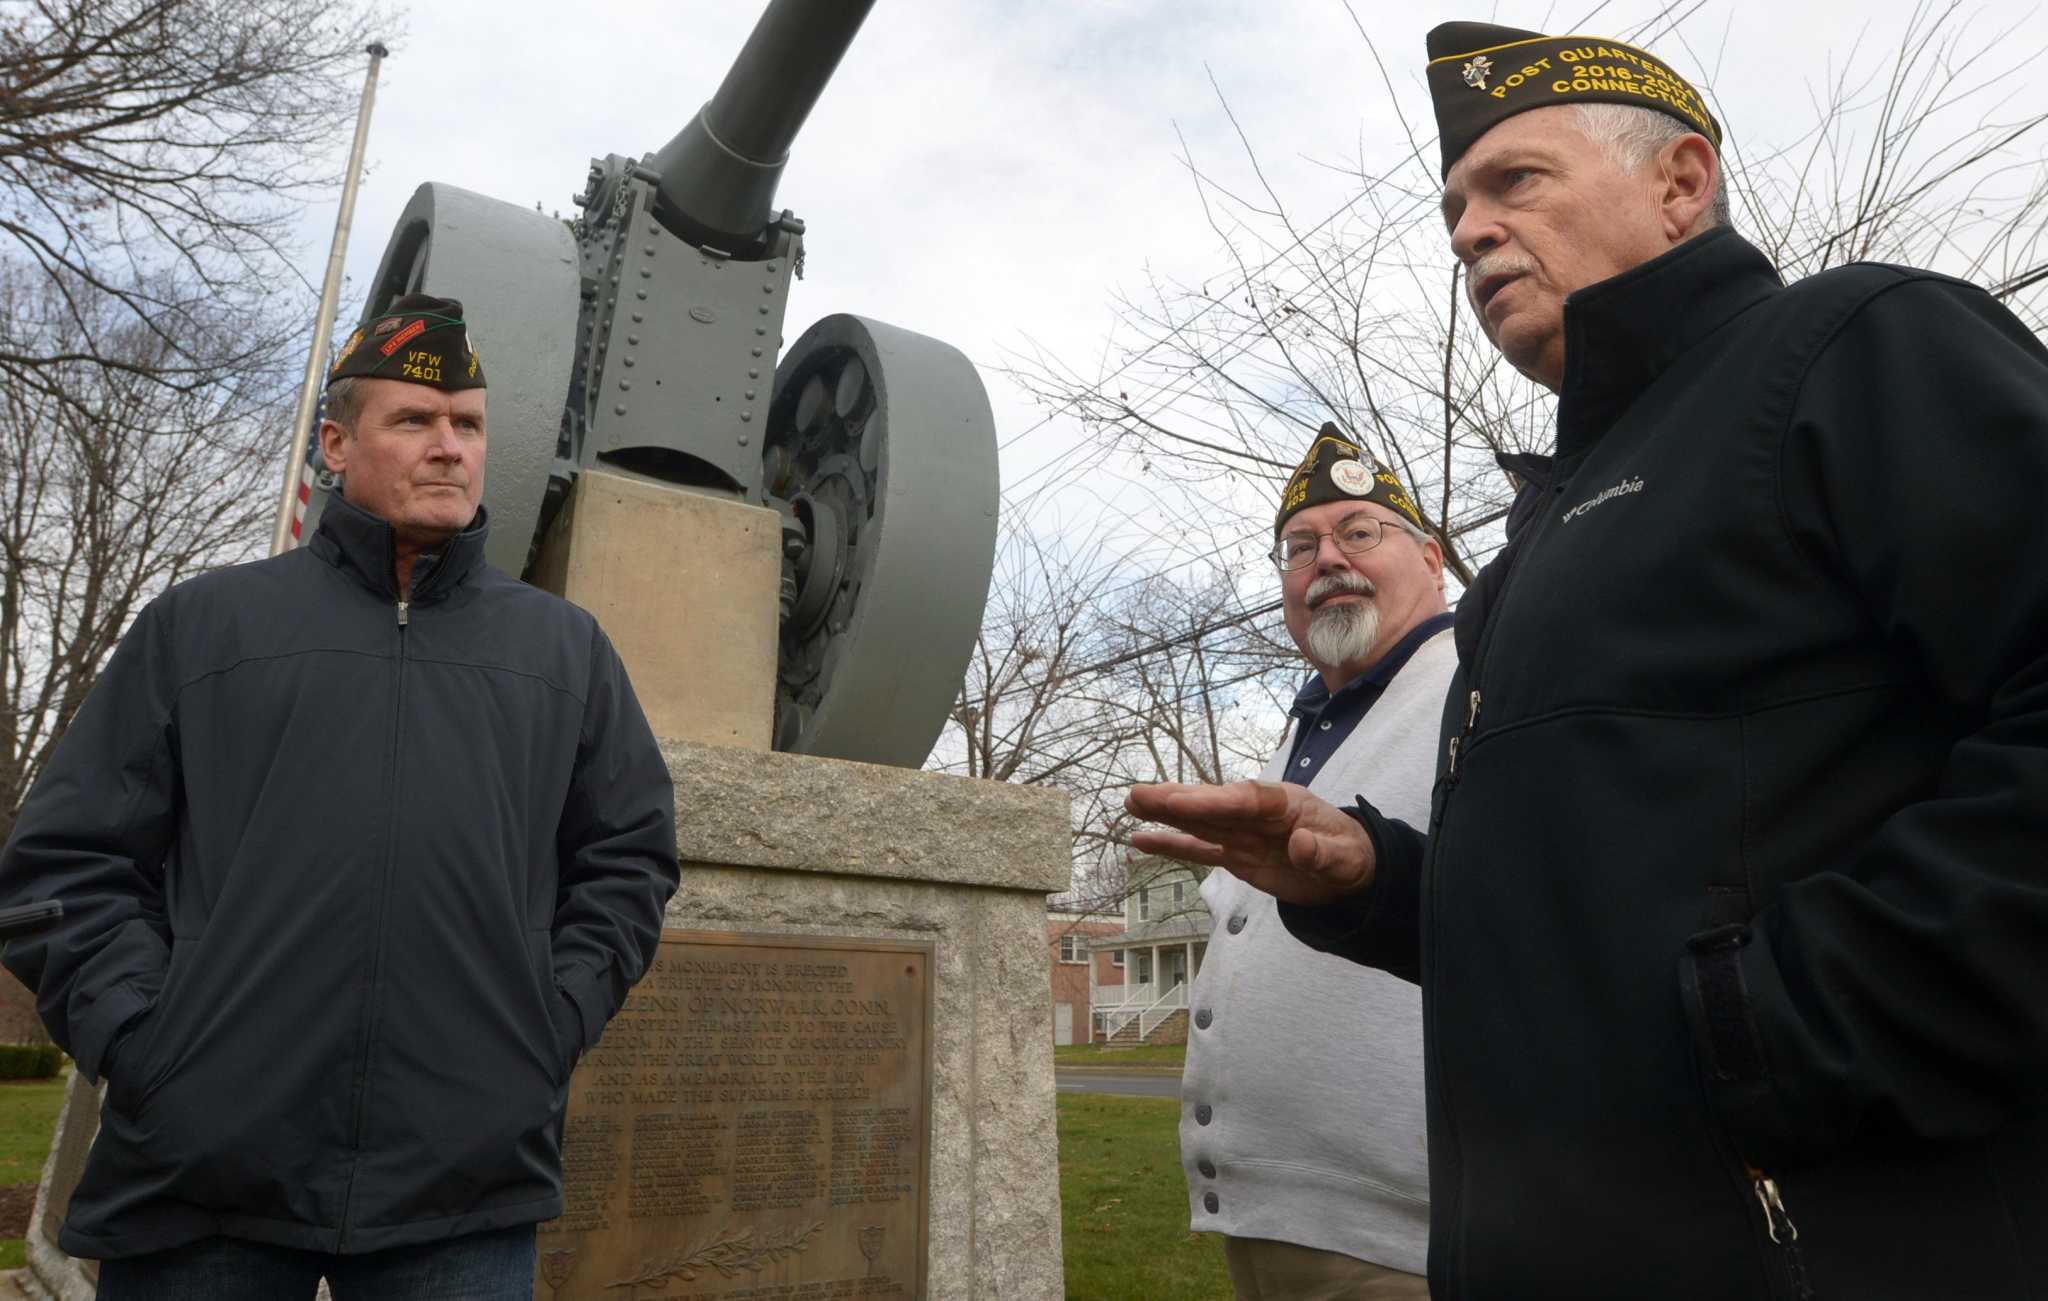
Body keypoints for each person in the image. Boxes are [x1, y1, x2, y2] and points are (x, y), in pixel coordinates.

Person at [1127, 21, 2048, 1299]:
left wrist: (1796, 1025)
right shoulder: (1540, 536)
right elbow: (1594, 905)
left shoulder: (1856, 344)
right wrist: (1369, 879)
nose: (1466, 230)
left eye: (1515, 182)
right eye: (1453, 206)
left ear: (1679, 182)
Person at [0, 295, 680, 1298]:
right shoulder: (205, 627)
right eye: (413, 421)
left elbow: (627, 859)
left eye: (468, 425)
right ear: (334, 441)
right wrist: (148, 1045)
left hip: (461, 1186)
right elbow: (66, 859)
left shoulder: (564, 652)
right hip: (205, 1183)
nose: (448, 447)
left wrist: (546, 1025)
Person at [1180, 426, 1454, 1301]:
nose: (1326, 558)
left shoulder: (1486, 684)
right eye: (1301, 547)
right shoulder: (1310, 726)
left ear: (1434, 558)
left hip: (1407, 1238)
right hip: (1267, 1226)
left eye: (1360, 531)